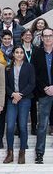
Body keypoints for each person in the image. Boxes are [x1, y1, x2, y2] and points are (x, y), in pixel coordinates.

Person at [3, 45, 35, 164]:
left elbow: (32, 84)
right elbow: (5, 85)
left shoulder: (29, 67)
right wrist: (13, 94)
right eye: (17, 52)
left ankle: (22, 153)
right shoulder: (8, 68)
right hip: (12, 100)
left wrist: (19, 95)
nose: (19, 54)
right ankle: (10, 153)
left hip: (25, 99)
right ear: (13, 54)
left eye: (21, 52)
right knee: (10, 126)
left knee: (22, 126)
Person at [33, 28, 53, 164]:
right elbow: (35, 75)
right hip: (44, 93)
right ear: (41, 38)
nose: (47, 38)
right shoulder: (37, 54)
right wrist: (45, 88)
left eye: (50, 36)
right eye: (45, 36)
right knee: (43, 125)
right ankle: (39, 153)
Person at [0, 30, 13, 149]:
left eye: (8, 38)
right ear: (1, 39)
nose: (7, 41)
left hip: (13, 86)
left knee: (12, 116)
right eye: (4, 38)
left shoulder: (16, 51)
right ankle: (0, 139)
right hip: (0, 87)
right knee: (1, 116)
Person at [21, 29, 38, 135]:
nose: (28, 36)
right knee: (20, 105)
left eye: (29, 35)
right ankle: (19, 127)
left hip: (34, 82)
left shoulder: (36, 49)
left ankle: (33, 126)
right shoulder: (18, 49)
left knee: (33, 106)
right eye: (25, 35)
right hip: (22, 82)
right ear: (22, 37)